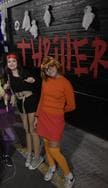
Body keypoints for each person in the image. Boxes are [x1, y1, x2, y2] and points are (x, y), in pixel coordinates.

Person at [36, 56, 75, 188]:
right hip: (44, 117)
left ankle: (69, 175)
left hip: (56, 120)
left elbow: (71, 105)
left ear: (56, 66)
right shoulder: (45, 81)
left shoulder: (65, 83)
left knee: (55, 150)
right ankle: (52, 167)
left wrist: (58, 110)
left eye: (51, 67)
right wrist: (37, 116)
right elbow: (42, 99)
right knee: (46, 145)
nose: (49, 70)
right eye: (46, 69)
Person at [6, 53, 43, 170]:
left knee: (33, 130)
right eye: (9, 62)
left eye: (14, 61)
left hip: (30, 101)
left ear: (17, 62)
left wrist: (33, 80)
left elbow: (37, 84)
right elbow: (11, 89)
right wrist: (11, 94)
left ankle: (37, 156)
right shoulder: (8, 75)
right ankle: (30, 153)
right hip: (20, 102)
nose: (11, 64)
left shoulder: (25, 72)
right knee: (26, 129)